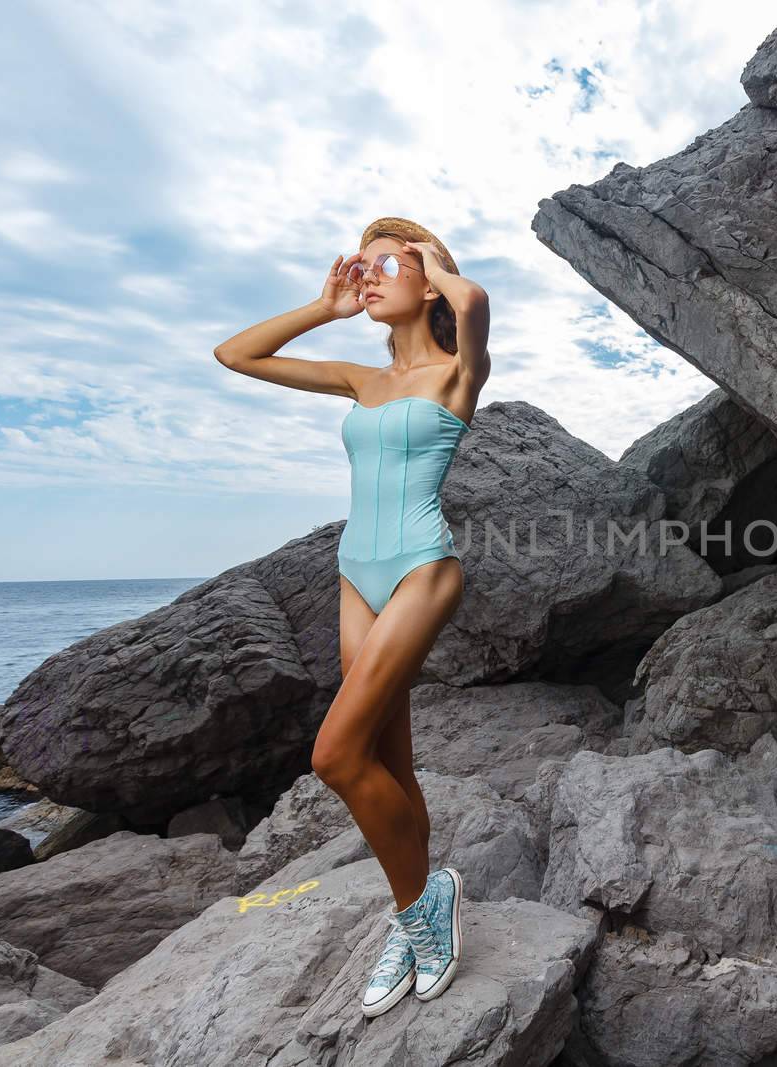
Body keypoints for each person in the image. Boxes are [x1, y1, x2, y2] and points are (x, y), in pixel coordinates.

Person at [213, 216, 490, 1017]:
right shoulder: (360, 380)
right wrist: (324, 304)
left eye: (384, 265)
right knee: (386, 761)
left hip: (421, 569)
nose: (367, 277)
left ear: (427, 277)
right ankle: (419, 900)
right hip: (354, 576)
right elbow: (236, 354)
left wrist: (430, 260)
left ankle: (418, 910)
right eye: (360, 266)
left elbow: (471, 302)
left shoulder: (456, 373)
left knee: (334, 753)